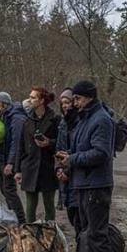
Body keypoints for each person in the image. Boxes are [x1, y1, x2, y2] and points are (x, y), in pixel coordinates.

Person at [56, 80, 115, 252]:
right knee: (86, 234)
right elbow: (80, 149)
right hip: (82, 184)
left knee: (97, 235)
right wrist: (66, 161)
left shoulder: (101, 119)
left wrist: (72, 159)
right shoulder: (84, 118)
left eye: (77, 99)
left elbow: (100, 153)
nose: (74, 103)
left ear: (87, 97)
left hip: (96, 186)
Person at [15, 87, 60, 223]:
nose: (29, 100)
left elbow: (63, 143)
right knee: (30, 207)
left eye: (33, 97)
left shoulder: (55, 119)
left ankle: (50, 234)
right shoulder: (27, 121)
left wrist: (49, 143)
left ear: (41, 101)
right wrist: (17, 170)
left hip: (48, 167)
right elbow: (21, 147)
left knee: (49, 206)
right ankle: (30, 236)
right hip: (30, 167)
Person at [0, 92, 26, 224]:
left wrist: (11, 163)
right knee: (5, 190)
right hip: (1, 158)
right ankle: (13, 216)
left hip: (9, 159)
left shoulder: (16, 118)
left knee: (9, 190)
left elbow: (16, 141)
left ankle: (21, 220)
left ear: (5, 103)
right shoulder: (3, 116)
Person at [56, 87, 80, 227]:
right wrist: (58, 169)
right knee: (71, 213)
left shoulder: (78, 122)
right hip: (63, 171)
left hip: (75, 174)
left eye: (68, 102)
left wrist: (66, 171)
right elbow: (59, 149)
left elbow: (78, 150)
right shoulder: (63, 122)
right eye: (62, 103)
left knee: (77, 215)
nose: (65, 105)